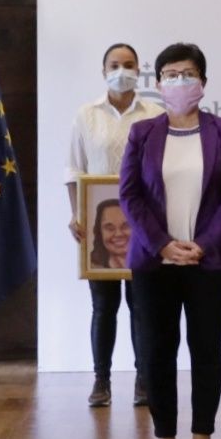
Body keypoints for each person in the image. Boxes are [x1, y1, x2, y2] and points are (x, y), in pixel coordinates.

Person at [118, 42, 221, 439]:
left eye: (188, 74)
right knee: (156, 351)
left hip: (209, 262)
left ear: (203, 83)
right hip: (154, 262)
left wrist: (203, 244)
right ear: (158, 84)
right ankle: (164, 438)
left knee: (206, 349)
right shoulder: (142, 133)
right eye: (171, 74)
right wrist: (161, 244)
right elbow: (130, 194)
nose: (179, 82)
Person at [66, 43, 162, 408]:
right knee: (103, 307)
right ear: (103, 69)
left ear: (140, 70)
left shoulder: (154, 113)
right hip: (100, 227)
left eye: (129, 64)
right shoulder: (86, 115)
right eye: (114, 64)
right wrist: (78, 215)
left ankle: (143, 380)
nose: (122, 70)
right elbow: (73, 169)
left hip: (142, 225)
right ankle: (101, 380)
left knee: (142, 306)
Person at [94, 199, 131, 270]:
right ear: (99, 232)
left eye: (126, 226)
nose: (119, 234)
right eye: (110, 228)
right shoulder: (94, 267)